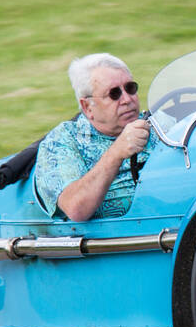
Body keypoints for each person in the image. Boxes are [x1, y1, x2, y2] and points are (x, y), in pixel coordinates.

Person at [34, 53, 159, 221]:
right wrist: (116, 152)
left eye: (130, 88)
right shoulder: (62, 142)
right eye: (114, 94)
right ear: (87, 107)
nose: (127, 99)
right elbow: (76, 208)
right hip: (114, 239)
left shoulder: (159, 124)